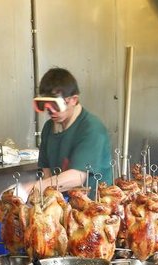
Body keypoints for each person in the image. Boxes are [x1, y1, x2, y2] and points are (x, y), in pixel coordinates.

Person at [13, 68, 112, 201]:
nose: (51, 111)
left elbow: (77, 176)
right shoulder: (49, 128)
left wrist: (34, 187)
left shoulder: (91, 128)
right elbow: (46, 171)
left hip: (94, 208)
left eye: (55, 105)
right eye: (45, 105)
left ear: (73, 100)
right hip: (63, 206)